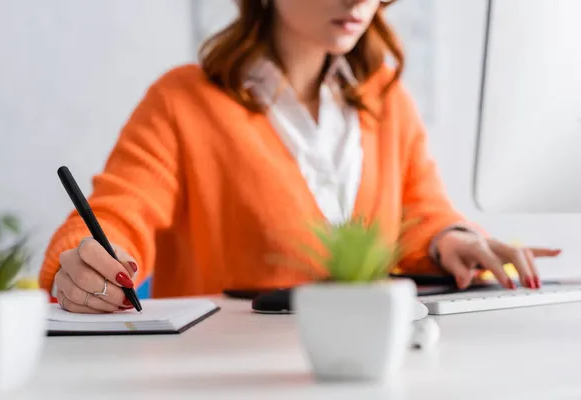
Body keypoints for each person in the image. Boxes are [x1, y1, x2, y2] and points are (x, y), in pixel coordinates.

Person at [39, 0, 561, 314]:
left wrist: (454, 240)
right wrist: (87, 259)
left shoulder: (386, 99)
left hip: (369, 369)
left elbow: (422, 214)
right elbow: (119, 212)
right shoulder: (183, 101)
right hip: (228, 379)